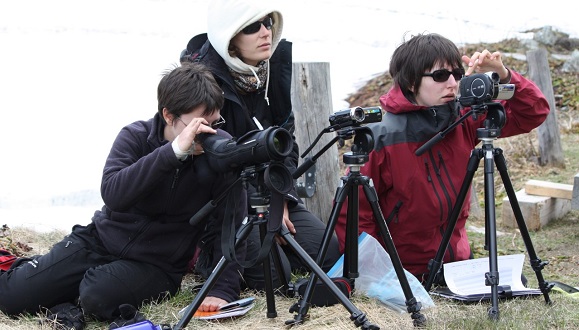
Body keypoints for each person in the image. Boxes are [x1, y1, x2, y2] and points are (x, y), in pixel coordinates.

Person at [0, 62, 247, 328]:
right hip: (100, 240)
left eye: (214, 122)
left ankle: (74, 292)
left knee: (97, 295)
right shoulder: (136, 136)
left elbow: (230, 224)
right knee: (11, 297)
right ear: (168, 115)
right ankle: (46, 277)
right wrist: (173, 153)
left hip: (157, 265)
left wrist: (223, 290)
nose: (208, 132)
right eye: (198, 124)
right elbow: (113, 193)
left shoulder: (220, 152)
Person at [334, 33, 550, 283]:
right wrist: (380, 275)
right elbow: (353, 213)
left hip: (457, 262)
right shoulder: (381, 136)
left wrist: (503, 75)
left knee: (516, 281)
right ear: (412, 82)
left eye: (457, 74)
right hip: (404, 269)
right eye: (439, 76)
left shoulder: (463, 119)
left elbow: (533, 112)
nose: (452, 83)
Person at [180, 0, 341, 290]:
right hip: (227, 199)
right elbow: (218, 161)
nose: (265, 32)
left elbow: (287, 144)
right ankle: (202, 253)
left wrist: (281, 201)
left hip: (274, 190)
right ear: (229, 38)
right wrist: (264, 209)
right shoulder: (203, 83)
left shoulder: (271, 72)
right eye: (253, 27)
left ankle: (275, 239)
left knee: (327, 251)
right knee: (276, 275)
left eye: (268, 22)